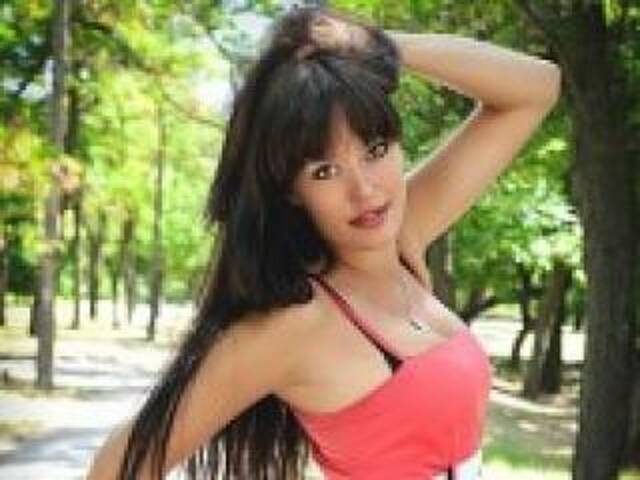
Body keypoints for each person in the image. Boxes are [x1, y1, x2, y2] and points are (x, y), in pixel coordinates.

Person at [87, 5, 561, 480]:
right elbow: (117, 467)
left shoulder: (400, 234)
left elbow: (537, 88)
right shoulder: (295, 324)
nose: (365, 191)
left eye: (376, 150)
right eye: (325, 171)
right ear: (291, 190)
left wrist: (380, 47)